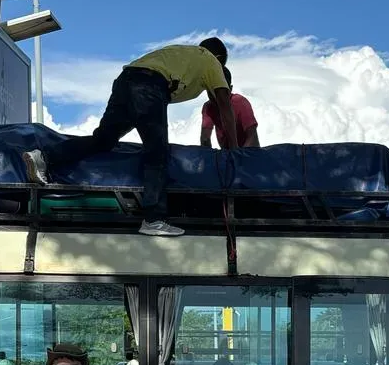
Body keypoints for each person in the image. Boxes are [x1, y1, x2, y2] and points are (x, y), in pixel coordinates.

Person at [22, 38, 240, 238]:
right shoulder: (210, 60)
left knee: (103, 140)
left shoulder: (182, 53)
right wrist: (236, 150)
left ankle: (44, 157)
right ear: (219, 59)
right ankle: (154, 219)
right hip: (149, 86)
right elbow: (224, 104)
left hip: (126, 81)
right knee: (157, 152)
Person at [199, 65, 260, 149]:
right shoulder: (208, 107)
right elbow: (205, 139)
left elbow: (252, 137)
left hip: (248, 154)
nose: (216, 96)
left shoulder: (240, 102)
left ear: (230, 89)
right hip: (227, 154)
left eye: (222, 91)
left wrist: (238, 157)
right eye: (211, 91)